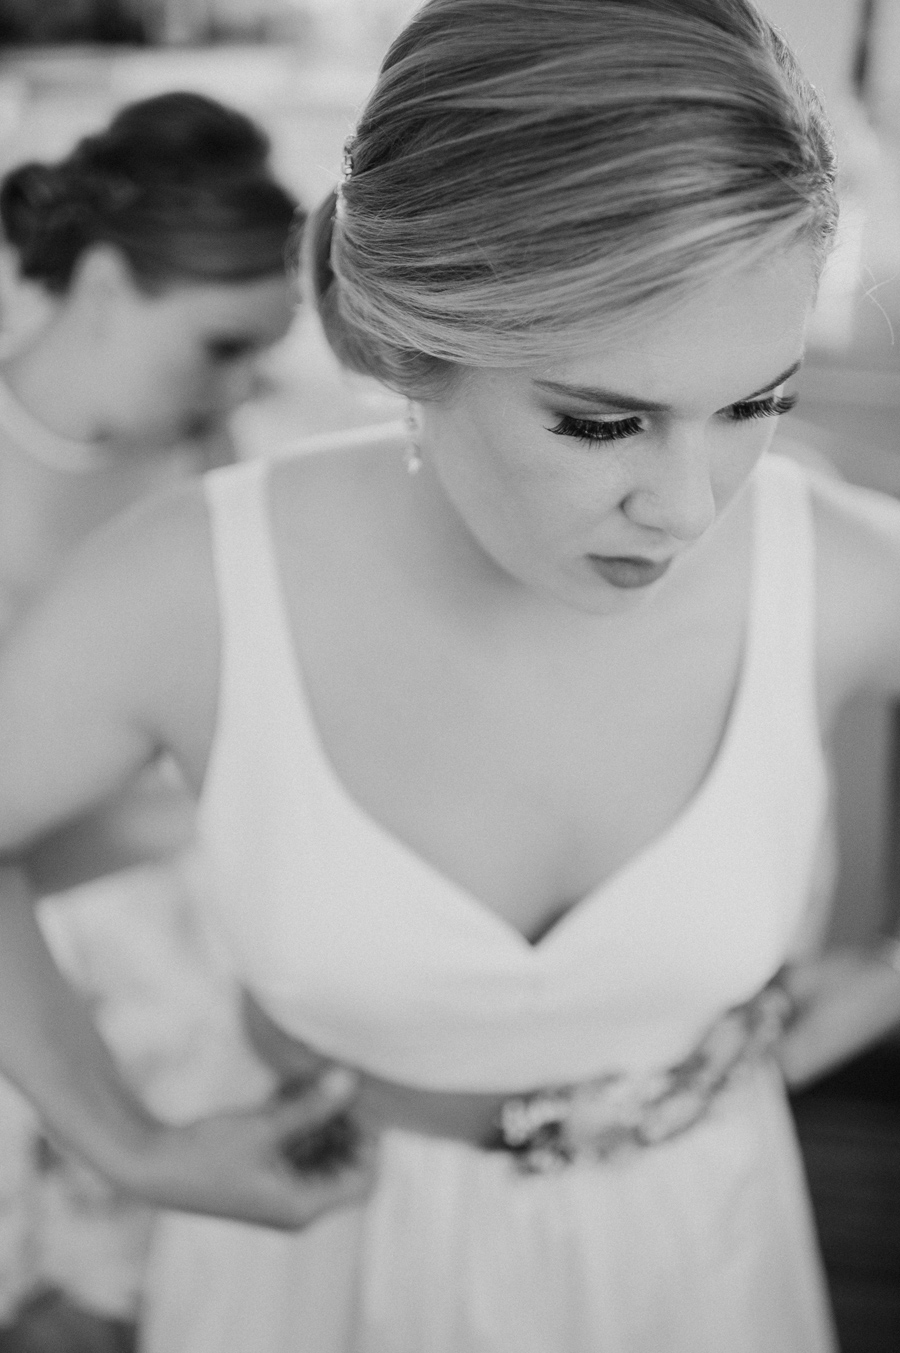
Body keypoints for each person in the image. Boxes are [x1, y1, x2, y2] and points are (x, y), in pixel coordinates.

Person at [1, 1, 900, 1349]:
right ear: (390, 342)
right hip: (311, 1277)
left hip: (700, 1271)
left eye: (757, 405)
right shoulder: (185, 583)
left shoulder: (838, 567)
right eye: (603, 421)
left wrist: (875, 977)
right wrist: (125, 1139)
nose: (691, 505)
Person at [0, 90, 298, 1345]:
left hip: (203, 950)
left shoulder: (223, 467)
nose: (242, 389)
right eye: (222, 345)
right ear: (109, 283)